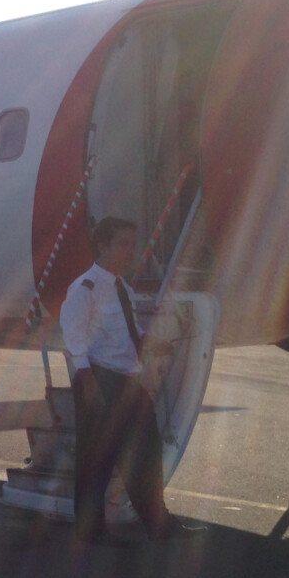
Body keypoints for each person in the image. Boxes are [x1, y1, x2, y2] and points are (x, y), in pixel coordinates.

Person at [60, 216, 182, 544]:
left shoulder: (121, 286)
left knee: (147, 451)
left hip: (127, 382)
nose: (131, 250)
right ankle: (90, 531)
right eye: (124, 244)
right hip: (99, 380)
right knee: (97, 459)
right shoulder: (85, 287)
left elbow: (129, 332)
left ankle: (157, 522)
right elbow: (73, 338)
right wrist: (88, 385)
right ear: (103, 246)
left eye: (133, 243)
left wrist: (152, 343)